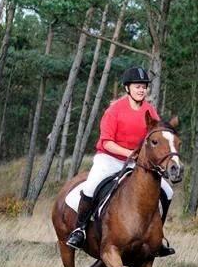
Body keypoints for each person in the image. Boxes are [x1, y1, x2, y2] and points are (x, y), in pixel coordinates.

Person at [66, 67, 175, 256]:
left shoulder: (150, 110)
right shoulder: (114, 110)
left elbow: (157, 136)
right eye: (138, 86)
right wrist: (128, 152)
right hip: (109, 159)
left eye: (144, 87)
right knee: (91, 186)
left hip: (138, 163)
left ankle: (157, 237)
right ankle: (80, 230)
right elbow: (107, 142)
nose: (142, 90)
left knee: (168, 190)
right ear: (127, 88)